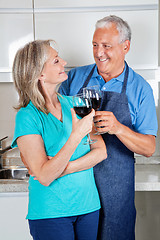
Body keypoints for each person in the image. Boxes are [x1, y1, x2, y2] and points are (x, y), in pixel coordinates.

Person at [59, 15, 158, 240]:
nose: (98, 52)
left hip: (116, 193)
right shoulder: (73, 78)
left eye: (106, 46)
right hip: (76, 187)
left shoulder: (140, 89)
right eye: (95, 45)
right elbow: (52, 118)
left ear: (126, 47)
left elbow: (149, 147)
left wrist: (118, 128)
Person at [11, 40, 107, 240]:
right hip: (51, 212)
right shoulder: (27, 116)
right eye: (56, 60)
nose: (64, 62)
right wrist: (76, 136)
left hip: (89, 206)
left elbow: (100, 152)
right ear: (39, 74)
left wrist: (60, 168)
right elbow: (45, 178)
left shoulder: (76, 103)